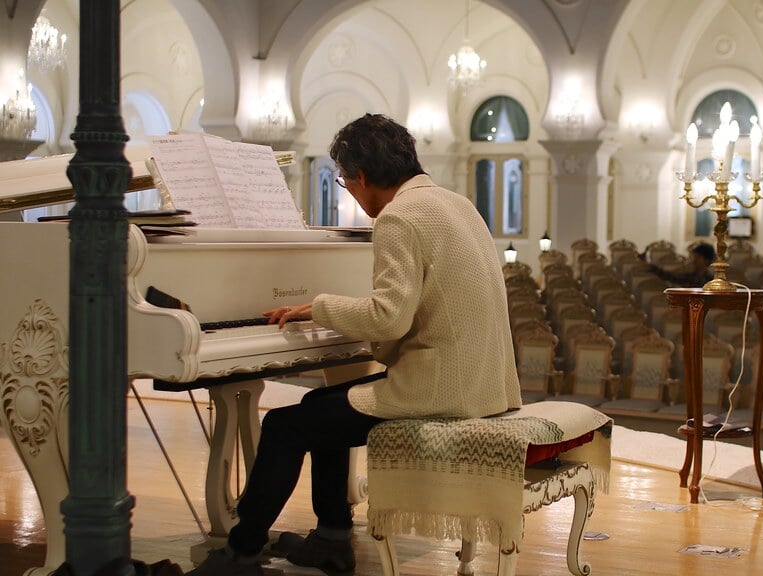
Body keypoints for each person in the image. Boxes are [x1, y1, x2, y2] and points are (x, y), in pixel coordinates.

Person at [186, 114, 522, 576]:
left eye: (344, 183)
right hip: (483, 384)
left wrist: (320, 307)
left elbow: (388, 317)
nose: (350, 191)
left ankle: (240, 553)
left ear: (361, 177)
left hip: (441, 392)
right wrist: (333, 310)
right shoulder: (457, 204)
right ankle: (331, 537)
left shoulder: (399, 217)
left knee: (285, 426)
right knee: (321, 406)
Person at [646, 242, 715, 288]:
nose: (694, 260)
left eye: (698, 257)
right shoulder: (690, 277)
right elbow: (672, 277)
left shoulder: (711, 280)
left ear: (707, 260)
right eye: (695, 257)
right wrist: (651, 268)